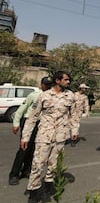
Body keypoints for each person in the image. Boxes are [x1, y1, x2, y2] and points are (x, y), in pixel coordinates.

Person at [21, 71, 79, 203]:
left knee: (54, 164)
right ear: (57, 81)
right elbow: (32, 117)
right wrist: (25, 137)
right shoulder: (44, 96)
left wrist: (74, 130)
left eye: (69, 80)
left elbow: (74, 115)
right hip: (44, 135)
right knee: (38, 164)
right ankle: (33, 192)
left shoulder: (70, 96)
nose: (68, 82)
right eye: (66, 79)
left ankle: (48, 187)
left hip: (60, 136)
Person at [8, 76, 53, 186]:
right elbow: (20, 110)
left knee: (34, 149)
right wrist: (16, 124)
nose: (47, 87)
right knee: (24, 149)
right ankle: (14, 175)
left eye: (49, 85)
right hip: (28, 122)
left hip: (41, 125)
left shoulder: (51, 97)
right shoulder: (33, 95)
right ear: (41, 84)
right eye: (45, 84)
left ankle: (26, 171)